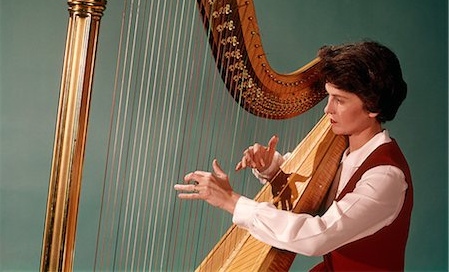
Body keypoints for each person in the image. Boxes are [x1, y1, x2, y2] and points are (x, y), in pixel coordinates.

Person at [174, 41, 413, 271]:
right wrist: (272, 169)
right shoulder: (347, 148)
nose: (327, 109)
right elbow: (319, 188)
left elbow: (318, 236)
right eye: (328, 96)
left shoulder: (385, 177)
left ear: (373, 107)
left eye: (339, 100)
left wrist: (231, 201)